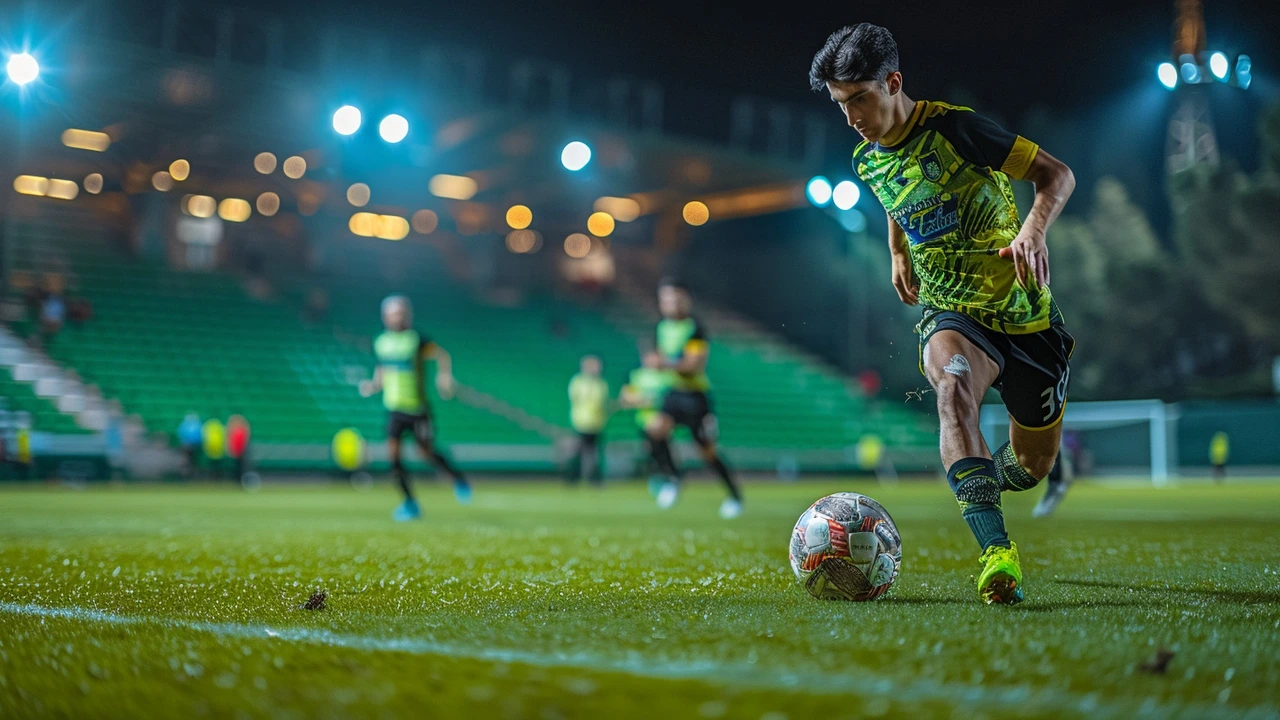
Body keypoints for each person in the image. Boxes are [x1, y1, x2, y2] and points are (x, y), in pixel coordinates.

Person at [811, 23, 1076, 604]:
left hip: (1027, 318)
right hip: (952, 313)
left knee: (1031, 465)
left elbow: (1057, 176)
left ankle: (1015, 474)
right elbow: (891, 194)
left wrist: (1034, 230)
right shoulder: (866, 159)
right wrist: (897, 252)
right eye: (840, 104)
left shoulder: (957, 129)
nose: (852, 116)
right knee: (952, 391)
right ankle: (996, 554)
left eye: (860, 98)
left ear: (893, 82)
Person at [359, 295, 471, 521]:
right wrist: (373, 385)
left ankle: (458, 478)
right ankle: (410, 503)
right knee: (394, 458)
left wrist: (444, 378)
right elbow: (382, 369)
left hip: (418, 409)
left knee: (426, 453)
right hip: (394, 409)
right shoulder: (381, 342)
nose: (397, 318)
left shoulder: (416, 340)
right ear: (386, 317)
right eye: (393, 314)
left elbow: (441, 355)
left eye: (401, 314)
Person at [645, 279, 743, 519]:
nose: (670, 304)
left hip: (695, 398)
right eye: (666, 300)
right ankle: (673, 478)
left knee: (706, 453)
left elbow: (694, 366)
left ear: (685, 300)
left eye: (675, 299)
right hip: (673, 393)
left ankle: (734, 496)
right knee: (654, 429)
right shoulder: (661, 327)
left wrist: (663, 363)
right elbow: (656, 356)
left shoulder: (695, 328)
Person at [620, 349, 672, 485]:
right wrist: (645, 400)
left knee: (664, 450)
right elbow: (625, 398)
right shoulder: (636, 376)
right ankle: (658, 477)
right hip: (643, 421)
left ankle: (670, 476)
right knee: (651, 451)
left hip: (663, 421)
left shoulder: (668, 376)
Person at [567, 355, 609, 485]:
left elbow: (602, 402)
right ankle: (573, 477)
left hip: (597, 423)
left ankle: (595, 479)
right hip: (582, 421)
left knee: (595, 453)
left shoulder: (601, 383)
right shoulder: (578, 382)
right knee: (579, 451)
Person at [177, 412, 202, 478]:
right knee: (188, 461)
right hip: (191, 446)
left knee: (189, 461)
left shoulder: (185, 425)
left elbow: (181, 435)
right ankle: (187, 473)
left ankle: (188, 473)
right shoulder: (197, 425)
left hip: (190, 446)